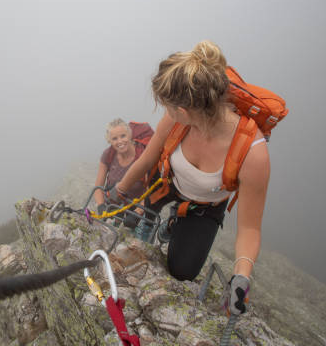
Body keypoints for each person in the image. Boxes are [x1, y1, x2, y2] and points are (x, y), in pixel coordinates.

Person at [109, 40, 270, 316]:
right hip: (166, 182)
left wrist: (242, 276)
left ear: (183, 111)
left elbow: (250, 230)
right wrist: (119, 192)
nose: (166, 113)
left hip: (205, 205)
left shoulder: (252, 153)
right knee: (133, 216)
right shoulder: (175, 120)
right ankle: (154, 216)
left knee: (182, 272)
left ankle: (173, 223)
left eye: (168, 107)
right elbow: (148, 159)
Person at [94, 119, 153, 238]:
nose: (120, 141)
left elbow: (150, 191)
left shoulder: (143, 155)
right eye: (114, 139)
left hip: (139, 210)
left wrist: (137, 213)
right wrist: (101, 206)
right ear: (109, 141)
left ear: (130, 135)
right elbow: (98, 187)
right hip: (114, 206)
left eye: (123, 136)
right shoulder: (108, 155)